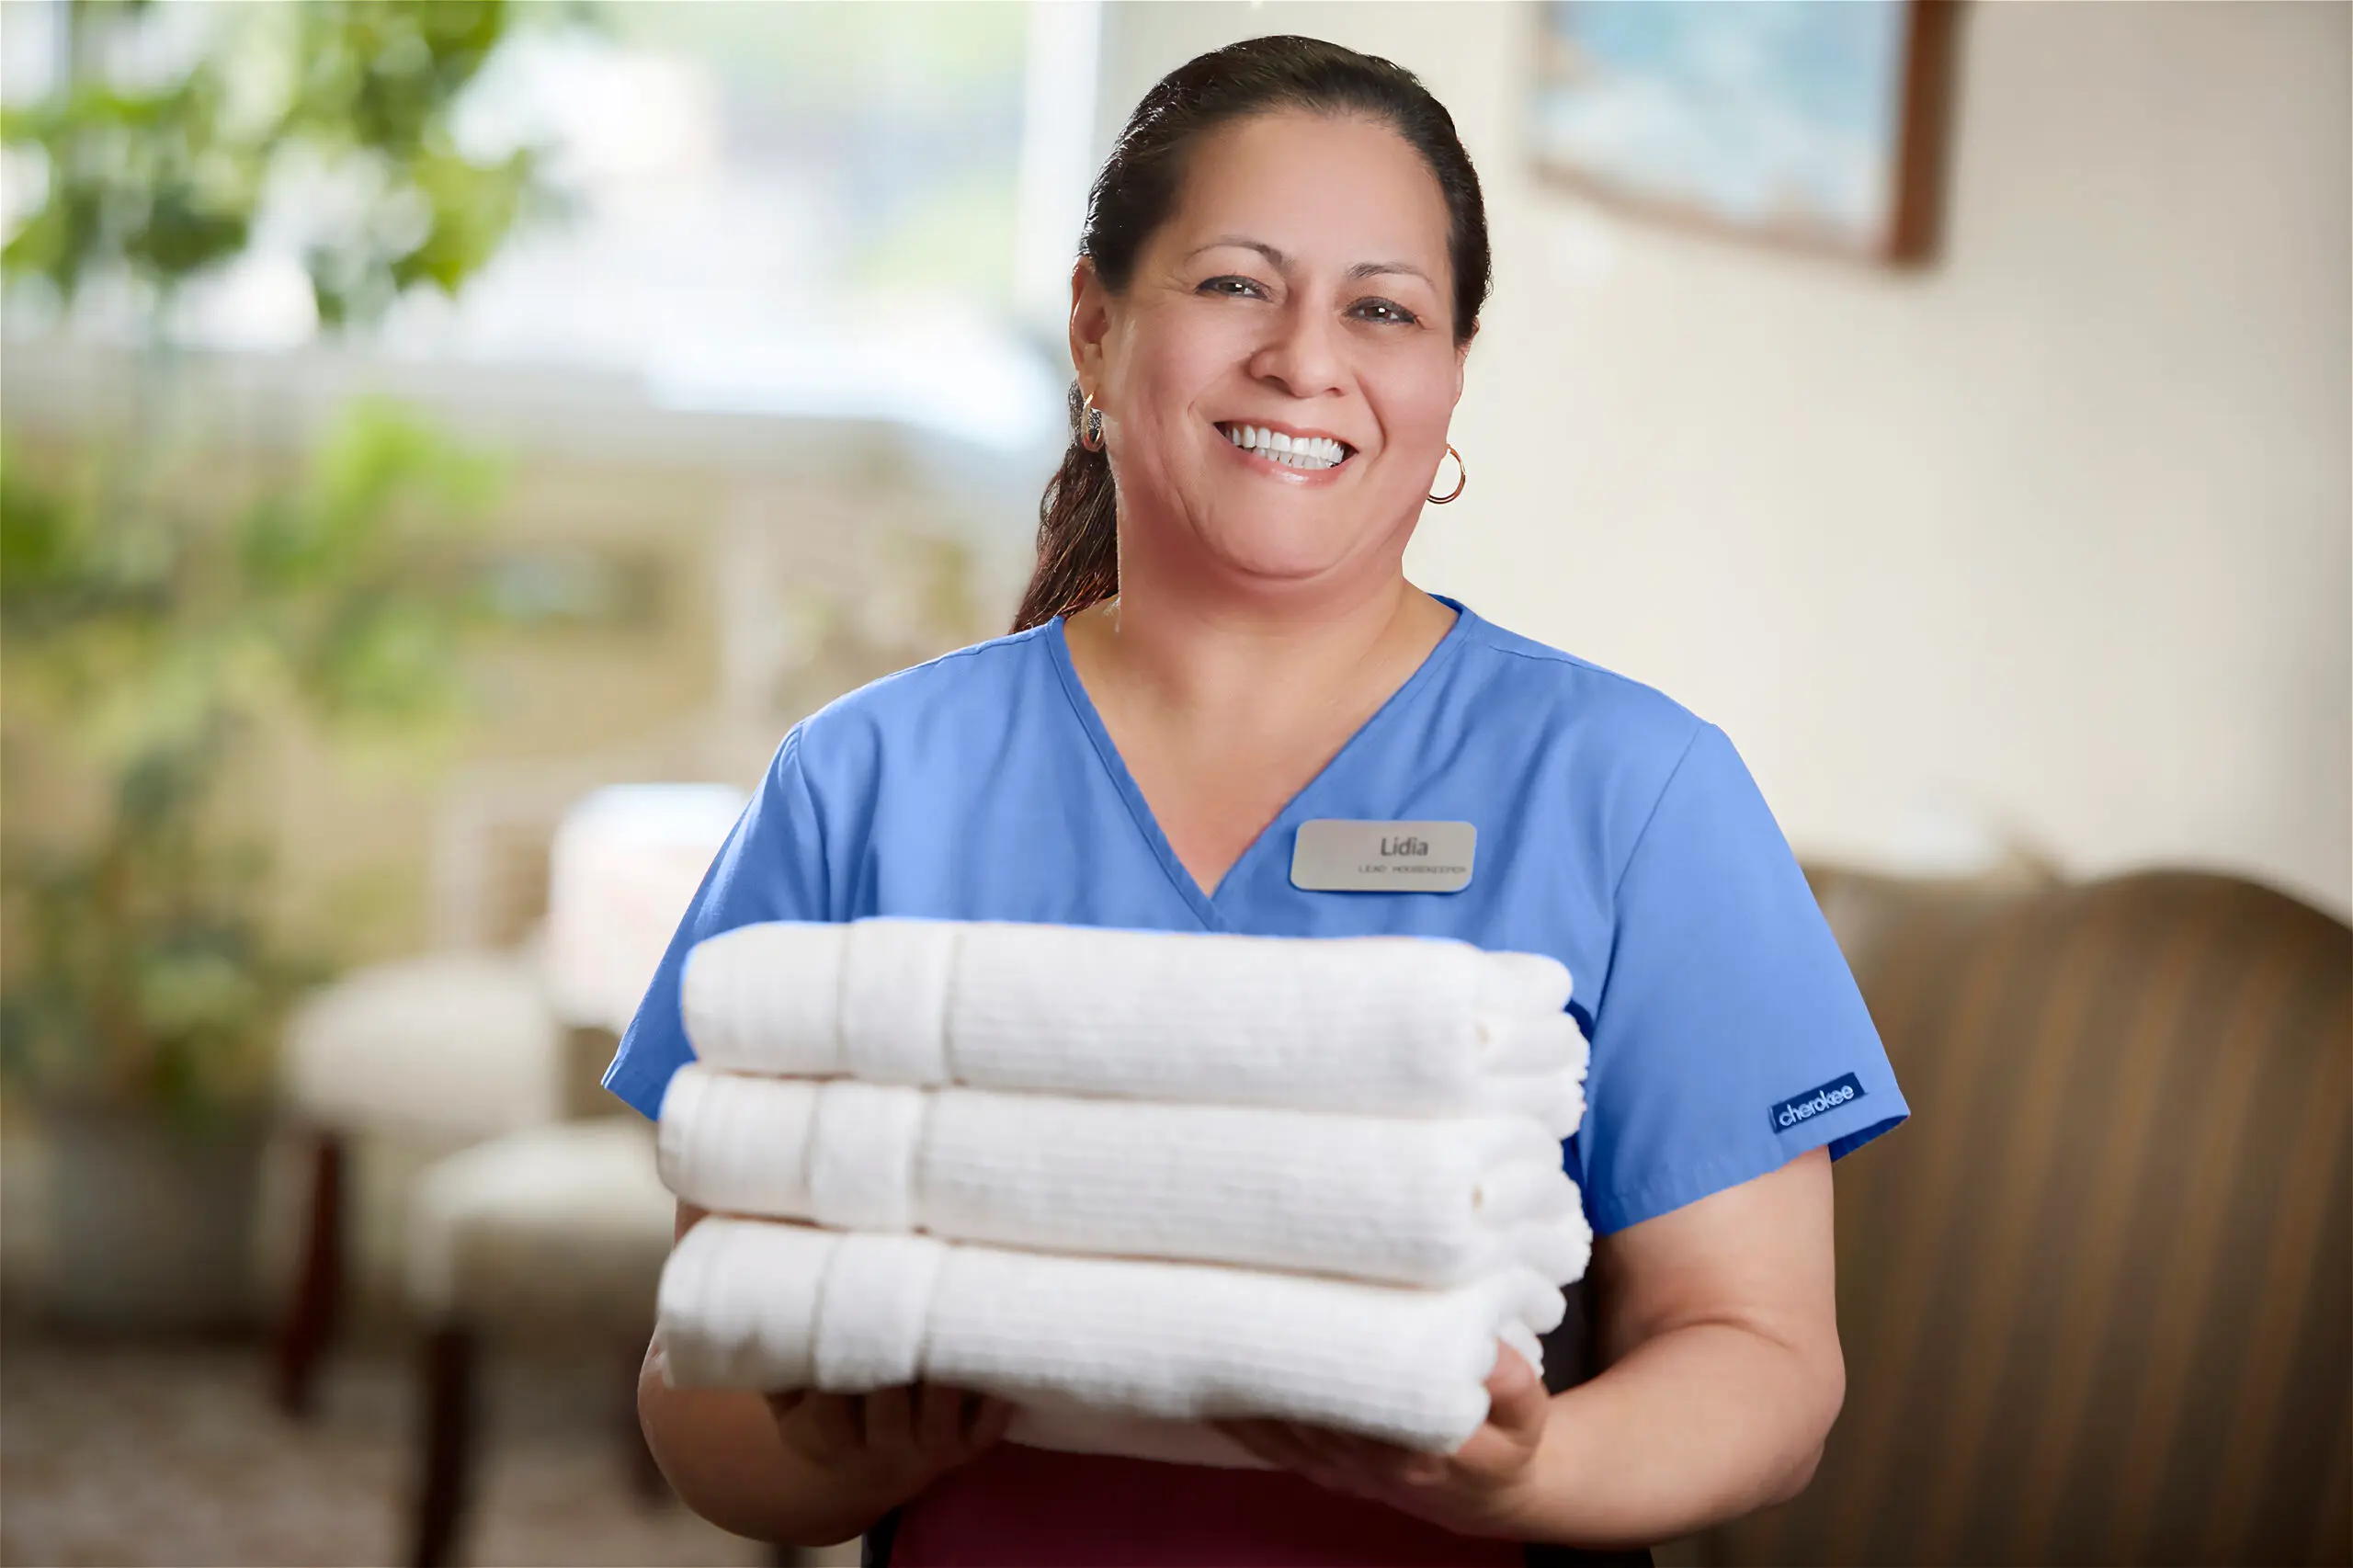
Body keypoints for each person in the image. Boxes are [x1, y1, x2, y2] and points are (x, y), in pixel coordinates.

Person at [606, 34, 1908, 1568]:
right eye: (1235, 283)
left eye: (1383, 307)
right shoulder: (866, 781)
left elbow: (1763, 1360)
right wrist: (827, 1458)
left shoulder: (1634, 792)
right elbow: (701, 1384)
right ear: (1096, 330)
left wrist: (1530, 1473)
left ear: (1450, 374)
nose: (1307, 356)